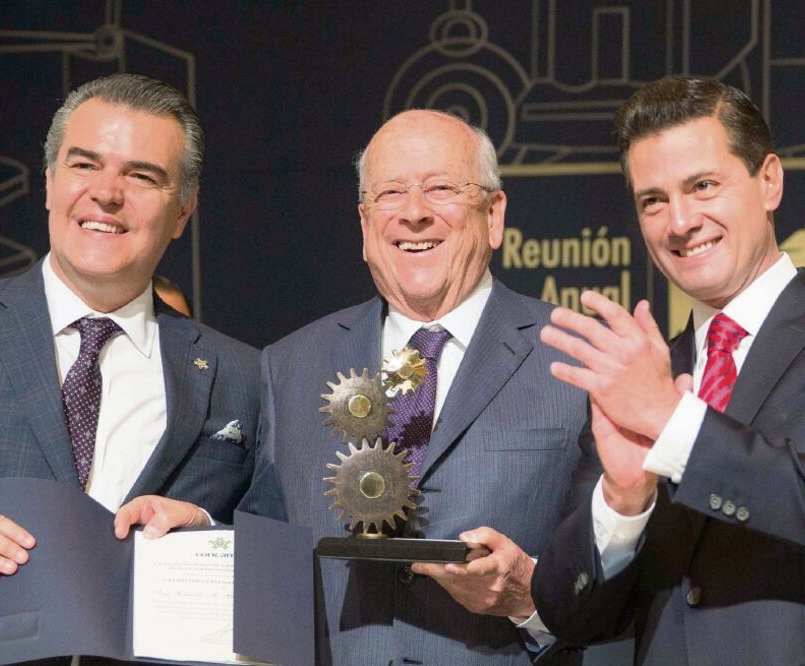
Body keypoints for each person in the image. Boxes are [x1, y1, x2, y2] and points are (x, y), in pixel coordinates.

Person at [122, 109, 587, 664]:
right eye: (390, 193)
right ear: (366, 226)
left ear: (493, 214)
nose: (414, 213)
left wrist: (528, 599)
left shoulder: (576, 356)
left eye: (441, 188)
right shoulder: (290, 365)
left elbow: (628, 581)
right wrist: (202, 535)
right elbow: (277, 549)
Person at [0, 73, 259, 664]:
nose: (107, 194)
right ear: (49, 183)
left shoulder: (242, 374)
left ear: (183, 210)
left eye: (142, 176)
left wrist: (211, 531)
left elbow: (278, 557)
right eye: (85, 165)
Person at [532, 76, 805, 665]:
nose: (679, 222)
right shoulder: (645, 376)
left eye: (703, 186)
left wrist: (676, 427)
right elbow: (567, 613)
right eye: (653, 200)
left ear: (769, 181)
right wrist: (624, 501)